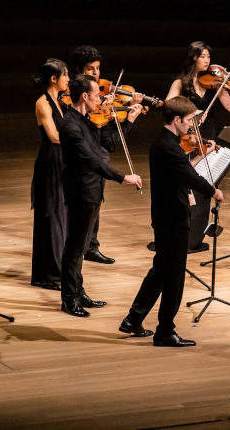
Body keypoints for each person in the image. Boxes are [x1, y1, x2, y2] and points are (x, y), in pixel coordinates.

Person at [119, 96, 224, 347]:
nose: (191, 126)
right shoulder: (167, 146)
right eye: (188, 121)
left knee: (161, 270)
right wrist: (214, 191)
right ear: (176, 120)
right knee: (174, 276)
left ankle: (133, 319)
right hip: (172, 217)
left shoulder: (167, 142)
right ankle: (165, 331)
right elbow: (189, 176)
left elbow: (183, 171)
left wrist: (200, 157)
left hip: (167, 214)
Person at [59, 74, 142, 317]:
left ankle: (78, 292)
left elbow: (109, 146)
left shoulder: (88, 120)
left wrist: (128, 122)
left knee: (83, 244)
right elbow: (91, 159)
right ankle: (68, 299)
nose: (101, 99)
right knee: (75, 246)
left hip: (93, 190)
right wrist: (122, 177)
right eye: (97, 95)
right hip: (81, 190)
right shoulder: (71, 125)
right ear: (85, 96)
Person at [165, 41, 230, 254]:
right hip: (186, 137)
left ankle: (195, 238)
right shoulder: (182, 82)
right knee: (184, 186)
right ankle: (178, 235)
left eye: (208, 56)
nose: (207, 60)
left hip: (208, 137)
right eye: (203, 56)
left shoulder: (216, 83)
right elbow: (168, 105)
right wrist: (192, 111)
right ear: (194, 58)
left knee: (204, 186)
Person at [70, 45, 144, 265]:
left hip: (99, 156)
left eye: (98, 69)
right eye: (90, 69)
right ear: (79, 70)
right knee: (86, 206)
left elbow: (108, 143)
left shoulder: (100, 101)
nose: (96, 73)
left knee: (96, 201)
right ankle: (80, 248)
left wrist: (126, 116)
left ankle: (91, 246)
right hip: (83, 164)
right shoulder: (75, 101)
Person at [30, 59, 69, 291]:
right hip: (49, 162)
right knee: (51, 217)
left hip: (60, 160)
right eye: (65, 75)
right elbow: (54, 136)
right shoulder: (42, 103)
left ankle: (55, 271)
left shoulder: (60, 100)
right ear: (54, 78)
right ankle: (49, 275)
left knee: (59, 216)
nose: (68, 79)